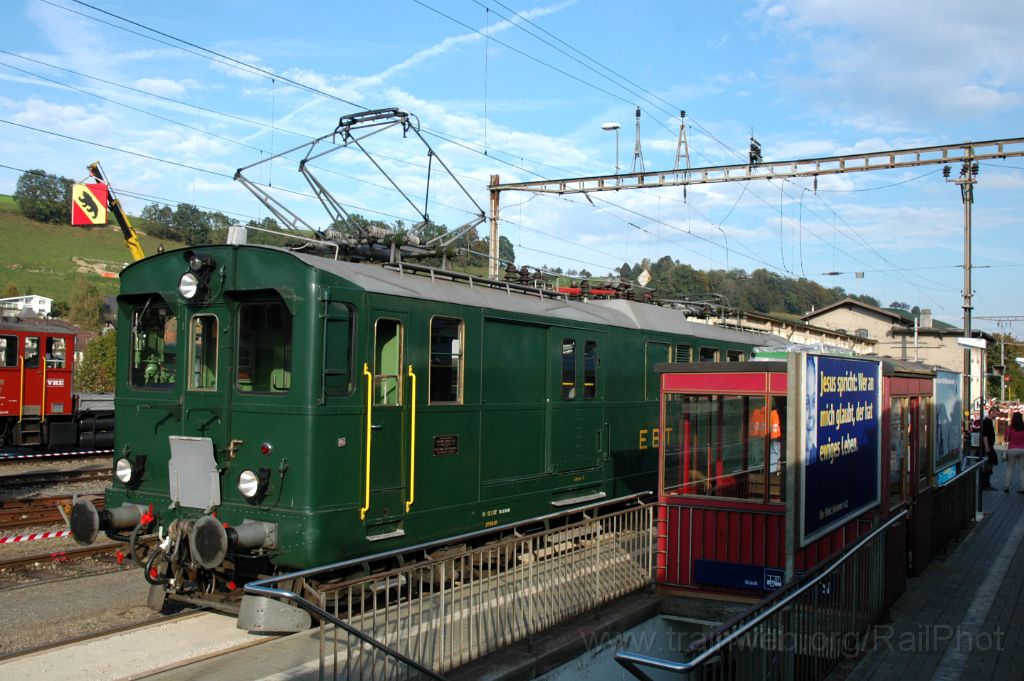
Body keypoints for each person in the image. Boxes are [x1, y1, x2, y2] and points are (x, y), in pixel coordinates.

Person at [1004, 411, 1024, 493]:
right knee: (1022, 470)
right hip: (1023, 450)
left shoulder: (1010, 428)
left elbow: (1006, 439)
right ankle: (1023, 488)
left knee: (1010, 469)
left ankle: (1007, 486)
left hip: (1012, 450)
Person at [981, 406, 998, 490]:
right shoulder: (986, 422)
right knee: (987, 466)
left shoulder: (989, 421)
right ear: (991, 412)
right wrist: (987, 446)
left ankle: (986, 484)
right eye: (996, 414)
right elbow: (985, 435)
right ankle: (985, 484)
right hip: (988, 447)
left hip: (989, 446)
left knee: (989, 465)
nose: (996, 416)